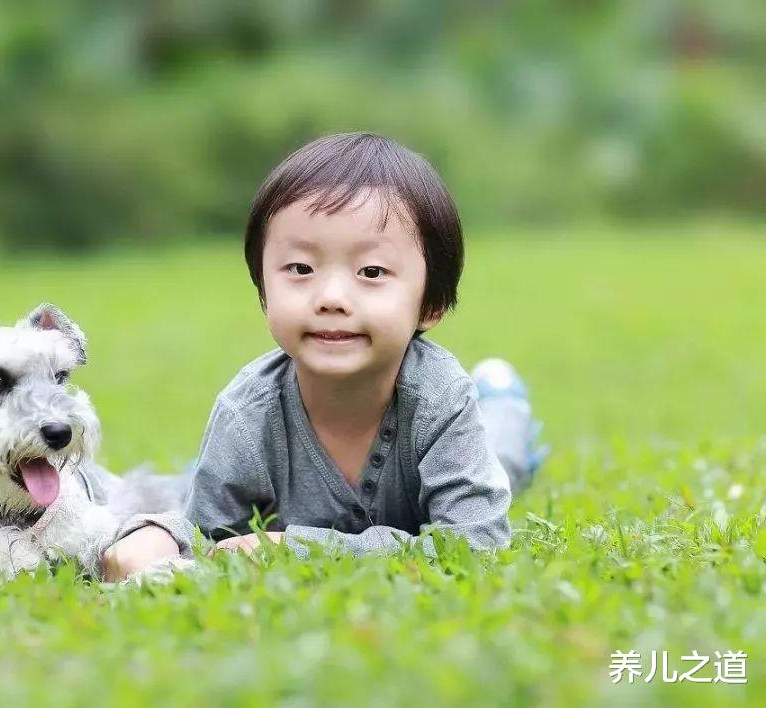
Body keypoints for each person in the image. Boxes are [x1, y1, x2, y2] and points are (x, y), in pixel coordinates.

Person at [103, 132, 546, 580]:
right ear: (263, 288)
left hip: (468, 431)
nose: (331, 297)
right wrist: (155, 537)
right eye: (301, 269)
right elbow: (208, 539)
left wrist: (297, 548)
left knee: (500, 465)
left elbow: (478, 543)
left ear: (430, 303)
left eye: (371, 272)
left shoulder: (440, 397)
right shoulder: (247, 412)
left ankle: (503, 402)